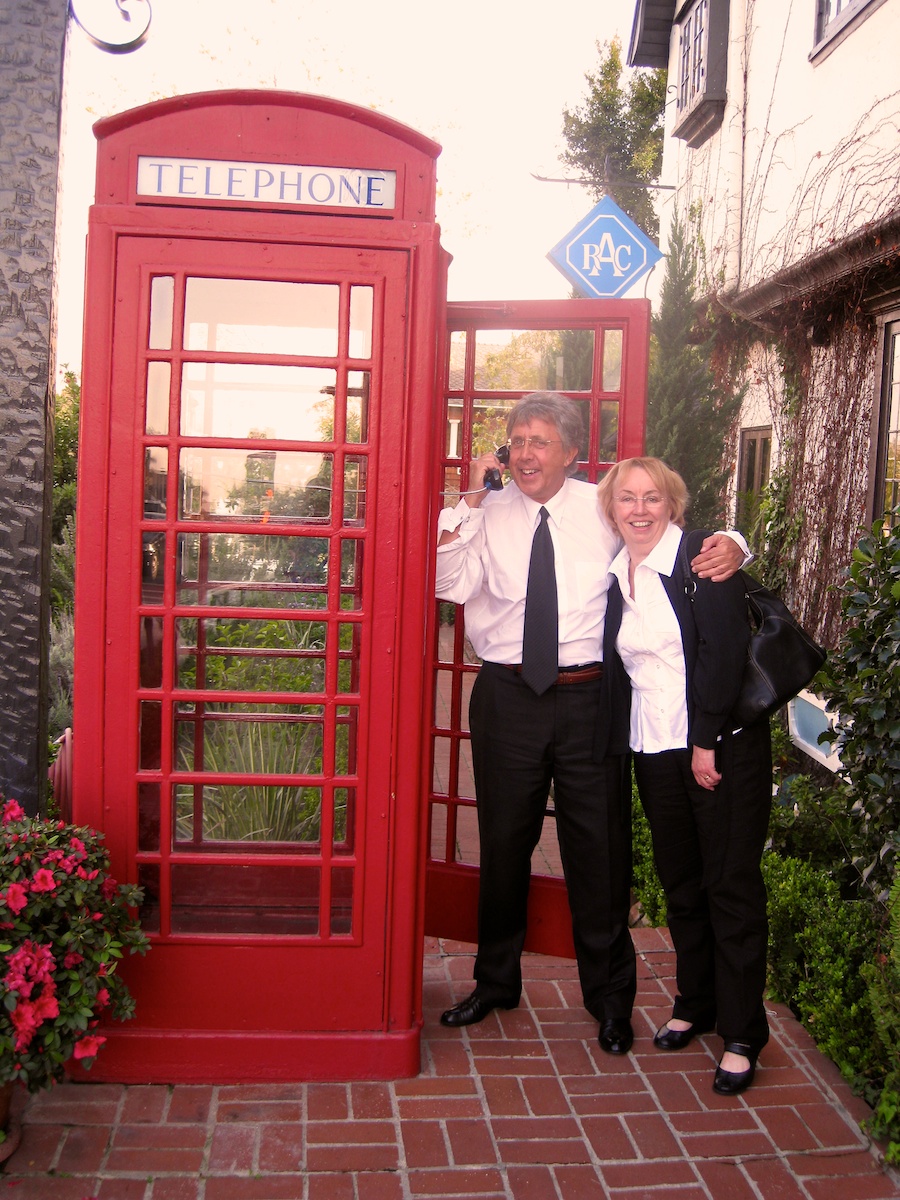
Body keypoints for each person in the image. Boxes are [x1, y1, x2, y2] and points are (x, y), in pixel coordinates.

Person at [434, 393, 746, 1055]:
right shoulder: (485, 515)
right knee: (503, 845)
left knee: (599, 853)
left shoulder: (602, 510)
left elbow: (674, 539)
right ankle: (495, 982)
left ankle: (609, 1001)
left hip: (590, 699)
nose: (525, 453)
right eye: (517, 440)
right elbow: (448, 586)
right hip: (506, 695)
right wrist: (457, 514)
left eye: (540, 440)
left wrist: (735, 545)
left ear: (572, 453)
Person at [596, 456, 772, 1094]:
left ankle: (744, 1032)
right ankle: (697, 1003)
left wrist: (704, 742)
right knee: (683, 885)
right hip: (654, 750)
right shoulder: (619, 573)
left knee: (730, 887)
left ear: (673, 504)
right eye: (626, 500)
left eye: (652, 498)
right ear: (611, 510)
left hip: (716, 748)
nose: (639, 510)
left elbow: (722, 655)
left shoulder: (703, 560)